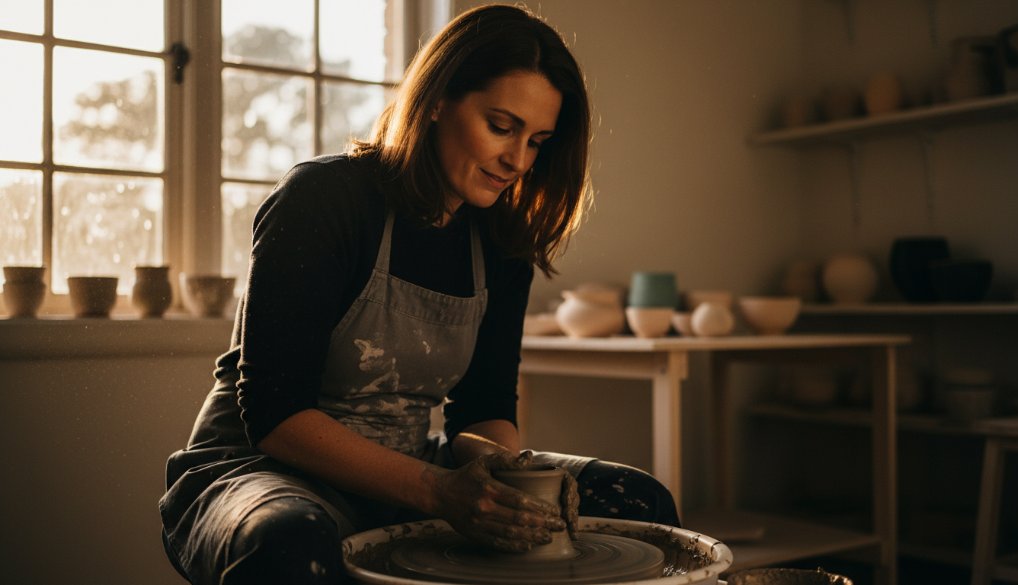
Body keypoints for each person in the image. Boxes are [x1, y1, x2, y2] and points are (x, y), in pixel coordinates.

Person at [159, 5, 679, 584]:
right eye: (502, 126)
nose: (518, 160)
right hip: (258, 471)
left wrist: (508, 478)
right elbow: (276, 415)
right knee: (293, 541)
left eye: (538, 141)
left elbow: (482, 410)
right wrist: (440, 491)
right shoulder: (326, 200)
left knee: (637, 501)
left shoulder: (499, 239)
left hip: (412, 471)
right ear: (436, 100)